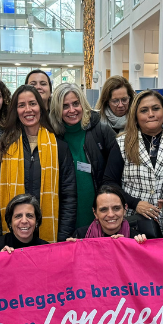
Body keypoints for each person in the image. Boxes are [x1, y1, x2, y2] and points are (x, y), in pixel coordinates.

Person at [0, 85, 76, 243]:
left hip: (49, 233)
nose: (28, 109)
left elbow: (68, 195)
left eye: (32, 104)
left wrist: (63, 236)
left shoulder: (59, 147)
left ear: (41, 107)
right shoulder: (3, 146)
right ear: (16, 110)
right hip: (11, 234)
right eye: (21, 105)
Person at [103, 90, 163, 232]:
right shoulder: (122, 144)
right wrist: (134, 203)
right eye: (144, 110)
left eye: (156, 108)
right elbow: (109, 182)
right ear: (135, 117)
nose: (151, 114)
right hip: (135, 220)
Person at [50, 82, 118, 230]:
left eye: (76, 103)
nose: (72, 110)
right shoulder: (51, 137)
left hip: (101, 213)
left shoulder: (101, 131)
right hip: (64, 215)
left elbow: (117, 173)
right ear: (57, 109)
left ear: (83, 104)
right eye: (65, 106)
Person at [67, 185, 147, 242]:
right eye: (103, 209)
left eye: (116, 208)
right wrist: (70, 253)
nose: (111, 214)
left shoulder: (135, 238)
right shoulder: (80, 236)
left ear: (125, 209)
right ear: (95, 213)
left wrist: (139, 248)